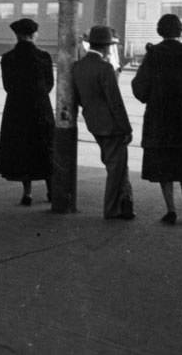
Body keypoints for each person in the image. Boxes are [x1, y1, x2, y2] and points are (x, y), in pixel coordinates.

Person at [132, 14, 182, 226]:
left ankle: (171, 210)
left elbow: (139, 88)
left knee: (164, 167)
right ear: (180, 30)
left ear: (160, 31)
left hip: (159, 121)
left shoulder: (153, 55)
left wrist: (150, 96)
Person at [72, 25, 135, 220]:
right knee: (116, 169)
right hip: (111, 126)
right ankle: (112, 209)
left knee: (116, 165)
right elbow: (115, 102)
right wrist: (126, 128)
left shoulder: (77, 67)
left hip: (94, 123)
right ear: (107, 47)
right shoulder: (105, 68)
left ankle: (125, 206)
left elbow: (77, 98)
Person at [0, 18, 54, 205]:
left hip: (17, 109)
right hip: (40, 108)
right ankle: (51, 190)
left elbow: (7, 85)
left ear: (17, 35)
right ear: (34, 34)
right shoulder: (44, 56)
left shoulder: (7, 58)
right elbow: (49, 84)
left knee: (23, 149)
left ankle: (27, 193)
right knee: (45, 147)